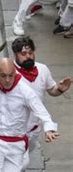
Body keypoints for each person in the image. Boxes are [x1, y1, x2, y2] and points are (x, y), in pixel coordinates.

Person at [11, 37, 71, 167]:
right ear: (15, 54)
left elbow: (51, 90)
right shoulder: (9, 74)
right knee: (19, 162)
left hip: (33, 129)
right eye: (23, 54)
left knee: (25, 156)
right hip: (13, 130)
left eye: (31, 53)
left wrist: (60, 89)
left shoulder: (43, 69)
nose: (28, 57)